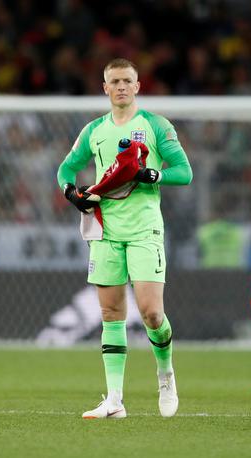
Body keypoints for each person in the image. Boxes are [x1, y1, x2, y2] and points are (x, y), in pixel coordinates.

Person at [57, 58, 192, 419]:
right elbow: (66, 169)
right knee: (111, 313)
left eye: (126, 81)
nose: (120, 86)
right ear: (105, 88)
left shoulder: (155, 125)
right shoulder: (93, 131)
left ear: (137, 86)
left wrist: (155, 175)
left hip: (145, 228)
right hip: (106, 228)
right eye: (113, 81)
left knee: (150, 312)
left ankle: (166, 374)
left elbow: (184, 172)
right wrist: (71, 192)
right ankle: (114, 400)